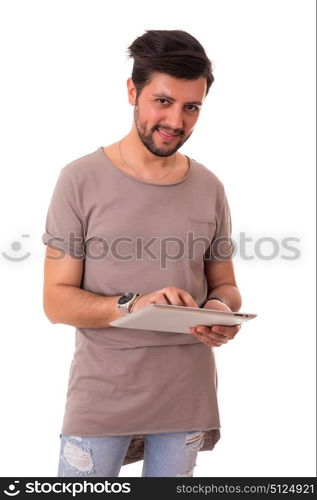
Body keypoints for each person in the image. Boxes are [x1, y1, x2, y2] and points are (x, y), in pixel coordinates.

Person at [42, 29, 242, 478]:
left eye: (192, 107)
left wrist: (218, 310)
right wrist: (136, 304)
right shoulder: (79, 180)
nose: (176, 120)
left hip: (186, 396)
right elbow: (56, 301)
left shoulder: (209, 186)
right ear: (132, 90)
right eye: (163, 101)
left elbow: (226, 286)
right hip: (103, 396)